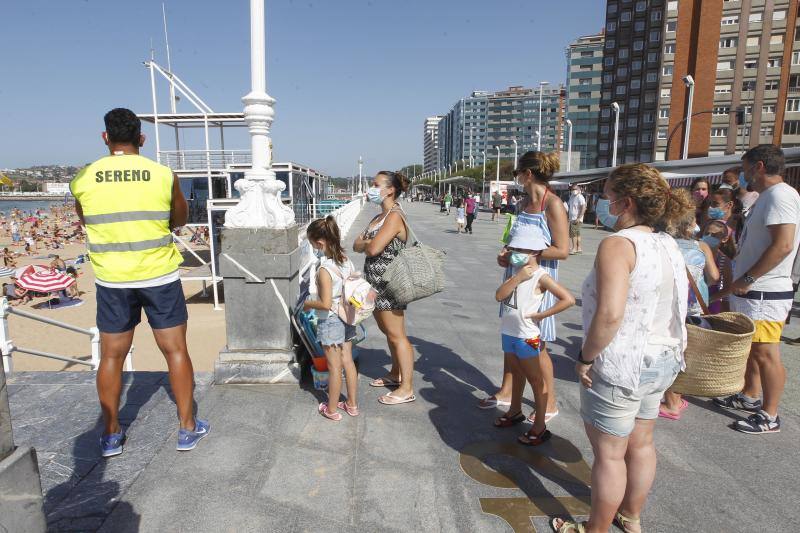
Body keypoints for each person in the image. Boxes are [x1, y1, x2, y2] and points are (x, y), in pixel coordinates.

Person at [552, 163, 691, 533]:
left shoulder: (619, 244)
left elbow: (610, 314)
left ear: (625, 202)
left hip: (624, 360)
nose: (603, 200)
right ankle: (631, 516)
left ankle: (594, 528)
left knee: (610, 454)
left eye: (608, 195)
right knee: (642, 444)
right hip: (663, 357)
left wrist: (585, 357)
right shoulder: (667, 242)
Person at [71, 108, 208, 457]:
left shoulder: (85, 176)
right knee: (175, 350)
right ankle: (187, 428)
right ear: (141, 139)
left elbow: (85, 218)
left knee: (112, 355)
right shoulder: (162, 174)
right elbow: (179, 218)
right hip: (158, 274)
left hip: (112, 278)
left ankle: (112, 434)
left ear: (105, 137)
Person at [713, 145, 800, 434]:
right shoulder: (767, 197)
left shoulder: (781, 195)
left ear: (759, 166)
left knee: (766, 353)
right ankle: (751, 395)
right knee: (753, 349)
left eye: (745, 167)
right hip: (755, 290)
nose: (743, 173)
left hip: (765, 291)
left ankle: (770, 414)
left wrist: (749, 278)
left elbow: (783, 244)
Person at [479, 151, 568, 424]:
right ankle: (508, 392)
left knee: (535, 341)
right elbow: (517, 240)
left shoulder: (552, 204)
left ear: (527, 174)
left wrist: (531, 257)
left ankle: (549, 401)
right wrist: (506, 255)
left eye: (518, 173)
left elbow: (562, 250)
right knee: (512, 335)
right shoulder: (524, 203)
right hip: (515, 275)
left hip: (536, 279)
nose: (516, 178)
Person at [492, 221, 574, 445]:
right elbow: (500, 296)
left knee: (536, 381)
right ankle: (515, 410)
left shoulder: (542, 276)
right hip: (509, 333)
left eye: (521, 250)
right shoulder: (516, 272)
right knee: (516, 374)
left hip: (526, 336)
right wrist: (517, 277)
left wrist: (542, 315)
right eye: (514, 249)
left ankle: (539, 425)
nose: (515, 253)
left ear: (535, 251)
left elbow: (568, 299)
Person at [353, 170, 416, 405]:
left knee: (397, 335)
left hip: (389, 283)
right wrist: (371, 241)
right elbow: (356, 243)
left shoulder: (395, 216)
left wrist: (369, 242)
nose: (371, 188)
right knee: (388, 333)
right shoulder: (378, 218)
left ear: (390, 190)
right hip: (374, 283)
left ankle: (407, 387)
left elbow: (370, 249)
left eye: (375, 184)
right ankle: (395, 373)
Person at [660, 189, 719, 420]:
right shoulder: (701, 246)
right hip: (695, 310)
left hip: (669, 309)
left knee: (673, 353)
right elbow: (714, 277)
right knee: (686, 352)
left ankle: (672, 403)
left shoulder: (663, 244)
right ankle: (676, 398)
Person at [303, 216, 359, 421]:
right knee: (348, 362)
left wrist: (308, 303)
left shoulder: (324, 270)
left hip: (332, 319)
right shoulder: (346, 261)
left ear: (320, 243)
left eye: (312, 244)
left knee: (334, 366)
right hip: (348, 315)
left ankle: (332, 409)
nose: (314, 248)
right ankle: (351, 404)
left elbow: (325, 304)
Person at [705, 220, 736, 314]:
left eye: (714, 235)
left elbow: (728, 288)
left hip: (711, 302)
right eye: (707, 233)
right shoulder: (696, 253)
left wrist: (709, 300)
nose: (709, 237)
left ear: (724, 239)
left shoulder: (723, 260)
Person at [567, 185, 587, 254]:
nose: (573, 190)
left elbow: (583, 207)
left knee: (573, 234)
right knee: (577, 233)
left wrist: (579, 217)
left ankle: (574, 248)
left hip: (576, 219)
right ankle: (579, 248)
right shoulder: (572, 196)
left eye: (575, 189)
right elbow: (569, 206)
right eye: (572, 189)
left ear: (579, 189)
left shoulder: (580, 197)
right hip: (572, 218)